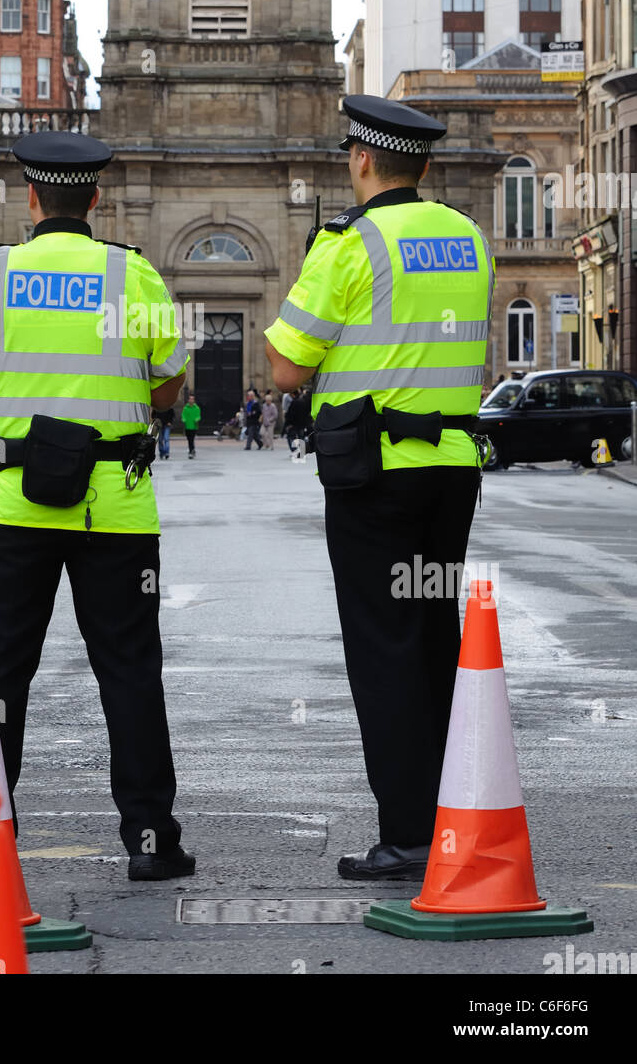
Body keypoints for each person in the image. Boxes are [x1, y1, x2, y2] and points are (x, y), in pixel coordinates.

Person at [0, 129, 194, 883]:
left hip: (8, 506)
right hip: (112, 510)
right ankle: (151, 842)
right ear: (96, 200)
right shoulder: (133, 275)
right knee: (129, 673)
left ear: (30, 197)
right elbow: (168, 387)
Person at [265, 94, 493, 882]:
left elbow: (287, 366)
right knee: (436, 640)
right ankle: (455, 814)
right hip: (452, 469)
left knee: (384, 649)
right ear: (422, 165)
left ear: (359, 159)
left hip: (374, 477)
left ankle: (406, 835)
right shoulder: (467, 238)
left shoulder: (348, 245)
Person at [181, 394, 200, 458]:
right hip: (187, 426)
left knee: (191, 439)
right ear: (188, 400)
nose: (191, 400)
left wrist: (196, 419)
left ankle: (191, 451)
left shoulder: (197, 408)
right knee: (189, 439)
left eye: (192, 399)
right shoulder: (185, 408)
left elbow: (198, 416)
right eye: (190, 399)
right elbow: (183, 415)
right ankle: (192, 450)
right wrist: (184, 419)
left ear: (194, 400)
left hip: (194, 426)